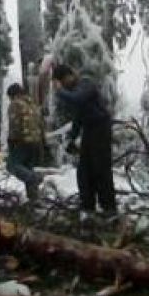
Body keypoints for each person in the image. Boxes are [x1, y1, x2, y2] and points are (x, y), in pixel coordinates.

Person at [51, 64, 117, 219]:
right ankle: (88, 207)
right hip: (89, 130)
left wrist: (59, 91)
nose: (64, 84)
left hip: (101, 128)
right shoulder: (76, 89)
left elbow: (77, 100)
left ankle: (109, 209)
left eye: (63, 80)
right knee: (84, 171)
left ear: (70, 75)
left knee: (101, 169)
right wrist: (71, 138)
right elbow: (78, 118)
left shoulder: (86, 83)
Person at [6, 83, 44, 200]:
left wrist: (11, 141)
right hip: (36, 142)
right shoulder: (32, 104)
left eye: (10, 97)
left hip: (22, 141)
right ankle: (34, 199)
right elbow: (41, 124)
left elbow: (15, 125)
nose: (10, 99)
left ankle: (34, 178)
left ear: (14, 95)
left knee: (11, 165)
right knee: (27, 167)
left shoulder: (15, 104)